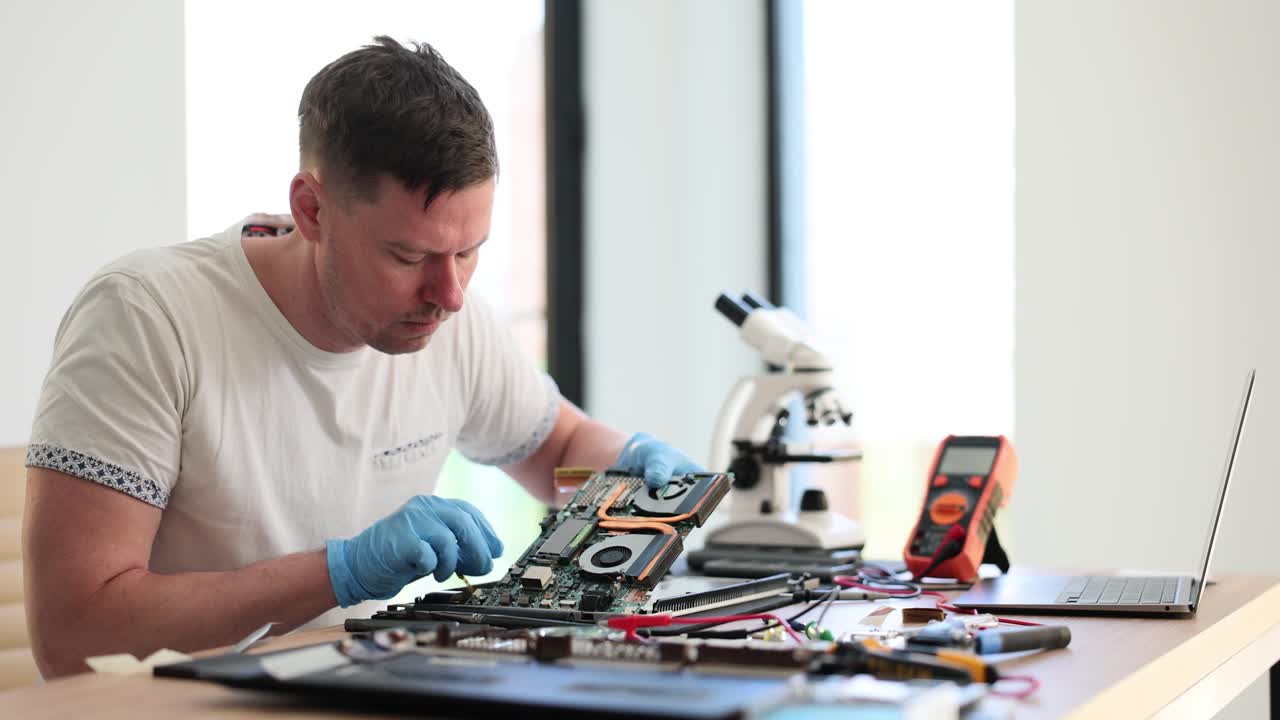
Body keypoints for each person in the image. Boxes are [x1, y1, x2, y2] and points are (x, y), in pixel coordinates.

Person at [23, 36, 701, 679]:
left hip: (370, 686)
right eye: (407, 256)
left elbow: (561, 451)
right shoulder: (147, 316)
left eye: (469, 250)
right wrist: (339, 572)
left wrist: (630, 475)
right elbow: (74, 632)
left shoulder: (452, 325)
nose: (450, 295)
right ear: (312, 209)